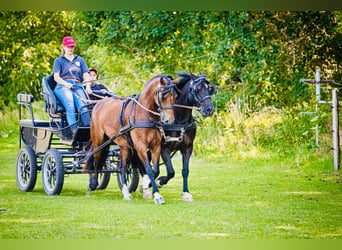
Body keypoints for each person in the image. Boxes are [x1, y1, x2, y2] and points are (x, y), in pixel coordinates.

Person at [52, 36, 92, 130]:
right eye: (69, 46)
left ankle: (88, 130)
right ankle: (74, 131)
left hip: (77, 85)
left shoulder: (80, 60)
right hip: (62, 86)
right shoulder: (58, 61)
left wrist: (88, 86)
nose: (71, 49)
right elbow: (56, 77)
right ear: (64, 47)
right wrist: (65, 84)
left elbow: (85, 74)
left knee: (83, 107)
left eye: (72, 47)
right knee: (70, 105)